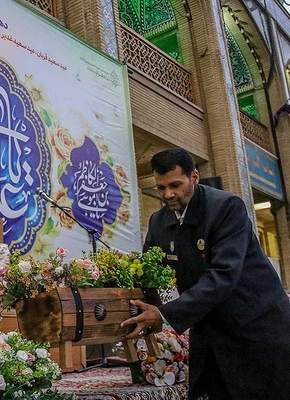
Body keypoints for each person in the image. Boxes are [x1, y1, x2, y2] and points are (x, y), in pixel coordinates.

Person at [120, 148, 290, 400]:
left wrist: (164, 314)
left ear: (195, 177)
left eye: (175, 185)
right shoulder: (158, 222)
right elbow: (150, 273)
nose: (168, 194)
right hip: (210, 331)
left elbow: (222, 276)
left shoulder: (226, 208)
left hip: (256, 327)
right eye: (160, 187)